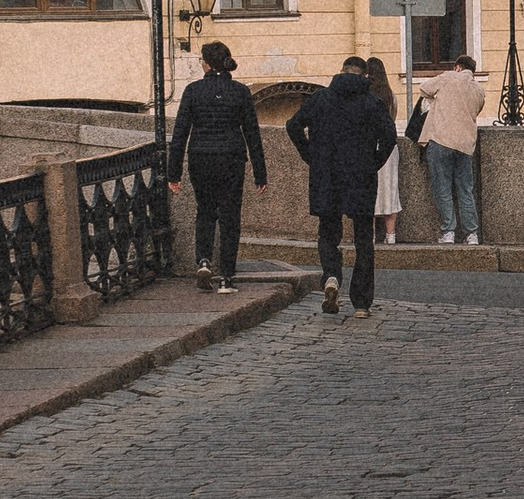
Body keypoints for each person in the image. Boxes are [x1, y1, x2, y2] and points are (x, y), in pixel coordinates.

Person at [286, 55, 396, 318]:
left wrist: (310, 156)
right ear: (365, 76)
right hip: (361, 177)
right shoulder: (372, 102)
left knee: (328, 233)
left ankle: (332, 276)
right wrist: (374, 163)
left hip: (327, 176)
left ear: (341, 72)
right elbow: (389, 138)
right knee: (363, 240)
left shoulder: (321, 99)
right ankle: (360, 303)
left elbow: (293, 126)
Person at [165, 37, 267, 290]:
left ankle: (203, 260)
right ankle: (227, 276)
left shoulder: (193, 91)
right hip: (231, 159)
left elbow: (180, 134)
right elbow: (252, 134)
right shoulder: (241, 92)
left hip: (201, 158)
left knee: (205, 211)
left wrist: (173, 173)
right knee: (230, 216)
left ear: (207, 65)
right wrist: (260, 174)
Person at [413, 50, 487, 245]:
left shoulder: (448, 77)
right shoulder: (479, 90)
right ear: (473, 71)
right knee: (465, 189)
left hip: (441, 139)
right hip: (465, 145)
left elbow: (424, 89)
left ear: (457, 67)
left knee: (442, 187)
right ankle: (472, 234)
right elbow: (477, 110)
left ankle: (448, 232)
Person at [365, 52, 404, 243]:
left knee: (369, 189)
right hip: (389, 149)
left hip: (369, 147)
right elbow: (392, 120)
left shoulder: (365, 97)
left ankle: (370, 234)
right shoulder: (390, 96)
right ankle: (391, 235)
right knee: (390, 189)